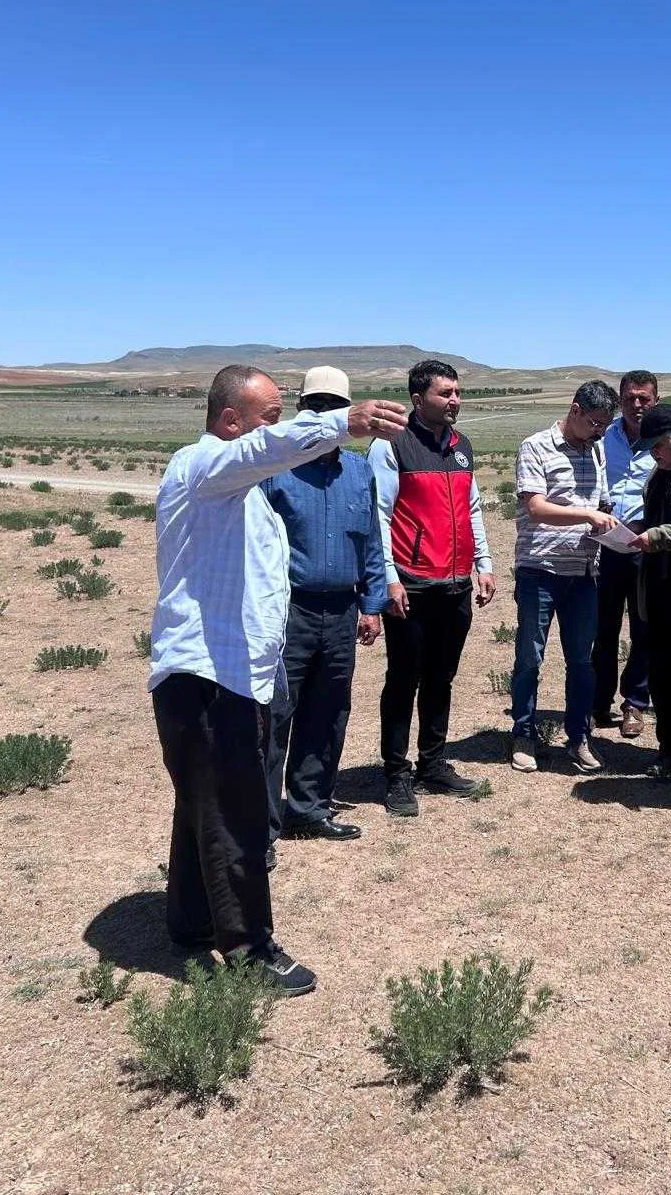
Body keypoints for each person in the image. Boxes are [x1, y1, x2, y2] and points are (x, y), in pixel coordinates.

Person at [149, 364, 406, 994]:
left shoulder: (239, 489)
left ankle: (190, 920)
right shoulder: (203, 465)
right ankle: (248, 951)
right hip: (207, 674)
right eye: (268, 417)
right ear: (229, 420)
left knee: (203, 802)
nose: (279, 427)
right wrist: (341, 423)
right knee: (236, 812)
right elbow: (263, 449)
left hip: (229, 671)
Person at [260, 365, 387, 861]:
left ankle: (309, 808)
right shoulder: (276, 469)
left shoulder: (359, 471)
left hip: (341, 610)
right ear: (301, 412)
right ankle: (262, 828)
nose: (324, 416)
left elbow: (370, 539)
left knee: (328, 713)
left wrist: (372, 603)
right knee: (274, 717)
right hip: (288, 610)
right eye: (316, 407)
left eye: (334, 408)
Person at [369, 359, 497, 817]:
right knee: (404, 679)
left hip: (456, 583)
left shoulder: (462, 446)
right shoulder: (392, 445)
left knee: (441, 677)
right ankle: (396, 772)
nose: (454, 401)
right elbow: (379, 515)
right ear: (417, 399)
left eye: (457, 393)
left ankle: (433, 763)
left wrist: (483, 563)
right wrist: (388, 577)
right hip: (413, 583)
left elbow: (473, 508)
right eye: (445, 393)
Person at [510, 380, 618, 775]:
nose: (600, 431)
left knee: (582, 662)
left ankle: (579, 737)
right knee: (530, 657)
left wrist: (609, 526)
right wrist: (587, 515)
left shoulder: (597, 450)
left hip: (583, 572)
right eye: (594, 423)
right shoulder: (536, 446)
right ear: (575, 410)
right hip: (540, 569)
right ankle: (524, 735)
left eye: (605, 425)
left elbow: (601, 503)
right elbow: (536, 508)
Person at [627, 402, 671, 778]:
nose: (653, 453)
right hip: (657, 592)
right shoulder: (658, 474)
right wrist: (632, 530)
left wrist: (656, 537)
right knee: (663, 677)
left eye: (658, 445)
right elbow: (653, 517)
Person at [593, 370, 660, 739]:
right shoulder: (603, 436)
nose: (637, 405)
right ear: (620, 400)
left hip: (646, 547)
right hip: (605, 545)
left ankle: (634, 703)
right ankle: (598, 702)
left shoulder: (666, 441)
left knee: (644, 627)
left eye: (644, 398)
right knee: (602, 628)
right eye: (630, 398)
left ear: (655, 401)